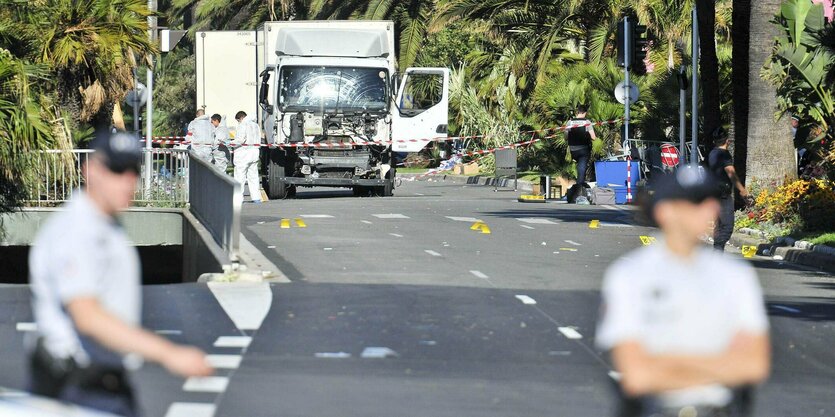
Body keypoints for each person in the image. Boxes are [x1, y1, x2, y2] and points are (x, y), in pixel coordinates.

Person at [27, 130, 214, 416]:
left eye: (133, 170)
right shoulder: (76, 231)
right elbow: (87, 316)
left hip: (104, 385)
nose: (128, 180)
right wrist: (169, 353)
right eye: (116, 169)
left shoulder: (105, 225)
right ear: (90, 170)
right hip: (78, 390)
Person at [596, 169, 770, 417]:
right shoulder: (630, 275)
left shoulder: (736, 276)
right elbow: (636, 374)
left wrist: (668, 363)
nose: (710, 209)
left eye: (711, 201)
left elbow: (753, 365)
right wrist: (719, 365)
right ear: (665, 211)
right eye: (696, 202)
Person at [707, 127, 750, 251]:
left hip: (714, 193)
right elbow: (731, 173)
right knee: (727, 227)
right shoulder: (724, 154)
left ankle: (717, 255)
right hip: (723, 194)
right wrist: (742, 190)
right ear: (727, 141)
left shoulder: (712, 153)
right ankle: (717, 251)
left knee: (719, 226)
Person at [233, 111, 262, 203]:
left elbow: (240, 140)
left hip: (243, 153)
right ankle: (256, 197)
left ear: (240, 118)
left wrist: (230, 143)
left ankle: (239, 198)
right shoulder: (256, 125)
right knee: (253, 176)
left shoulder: (243, 125)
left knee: (239, 177)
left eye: (238, 120)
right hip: (254, 152)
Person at [564, 104, 597, 185]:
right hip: (583, 149)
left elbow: (565, 137)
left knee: (579, 163)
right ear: (585, 113)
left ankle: (578, 181)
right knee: (582, 165)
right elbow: (594, 137)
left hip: (573, 149)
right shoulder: (587, 122)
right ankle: (580, 185)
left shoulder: (569, 122)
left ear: (577, 112)